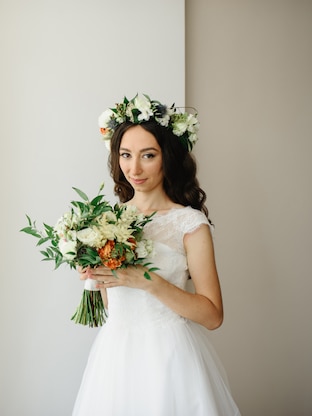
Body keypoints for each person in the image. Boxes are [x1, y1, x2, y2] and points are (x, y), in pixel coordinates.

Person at [72, 93, 241, 415]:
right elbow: (112, 307)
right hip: (115, 356)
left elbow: (213, 316)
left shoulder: (190, 224)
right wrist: (97, 274)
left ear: (169, 157)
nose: (134, 168)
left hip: (169, 357)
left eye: (148, 155)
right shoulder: (107, 220)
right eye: (125, 155)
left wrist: (148, 281)